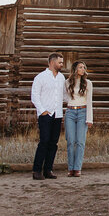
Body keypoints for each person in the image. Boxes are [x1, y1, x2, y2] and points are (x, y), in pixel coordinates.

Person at [30, 52, 68, 180]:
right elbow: (35, 96)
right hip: (45, 114)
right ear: (52, 62)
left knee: (53, 143)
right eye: (60, 62)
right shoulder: (40, 77)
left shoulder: (62, 78)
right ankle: (37, 170)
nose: (62, 65)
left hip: (57, 114)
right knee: (44, 141)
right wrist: (42, 111)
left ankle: (48, 169)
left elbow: (64, 95)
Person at [64, 60, 93, 177]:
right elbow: (64, 97)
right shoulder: (67, 82)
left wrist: (89, 119)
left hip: (83, 111)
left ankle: (77, 168)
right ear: (75, 69)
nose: (83, 69)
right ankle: (70, 168)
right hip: (70, 112)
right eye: (81, 67)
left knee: (80, 141)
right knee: (71, 141)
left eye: (84, 67)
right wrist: (70, 103)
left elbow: (90, 101)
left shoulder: (88, 83)